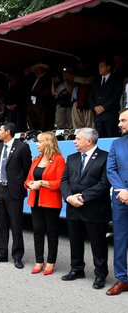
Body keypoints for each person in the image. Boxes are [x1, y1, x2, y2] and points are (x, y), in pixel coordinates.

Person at [60, 128, 111, 290]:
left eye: (78, 139)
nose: (74, 141)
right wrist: (69, 197)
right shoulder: (72, 157)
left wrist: (82, 197)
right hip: (73, 208)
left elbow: (104, 183)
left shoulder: (105, 157)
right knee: (75, 241)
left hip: (95, 209)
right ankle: (77, 269)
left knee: (98, 244)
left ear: (89, 141)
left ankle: (100, 274)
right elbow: (64, 181)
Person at [0, 122, 31, 269]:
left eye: (0, 130)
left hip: (14, 191)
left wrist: (19, 184)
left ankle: (17, 257)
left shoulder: (22, 147)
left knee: (16, 224)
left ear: (8, 132)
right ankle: (2, 254)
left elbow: (27, 169)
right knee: (0, 224)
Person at [24, 132, 65, 275]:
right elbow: (28, 180)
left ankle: (51, 262)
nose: (37, 144)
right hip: (35, 201)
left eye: (40, 142)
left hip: (51, 202)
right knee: (37, 231)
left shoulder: (59, 160)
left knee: (52, 232)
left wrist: (41, 183)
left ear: (47, 143)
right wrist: (30, 184)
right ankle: (39, 260)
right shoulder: (36, 159)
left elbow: (60, 183)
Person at [106, 108, 128, 295]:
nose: (119, 124)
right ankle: (122, 279)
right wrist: (123, 191)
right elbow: (111, 170)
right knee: (120, 239)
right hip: (121, 199)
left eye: (123, 120)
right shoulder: (116, 144)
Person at [89, 58, 123, 138]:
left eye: (102, 66)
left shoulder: (116, 79)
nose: (99, 69)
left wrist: (104, 107)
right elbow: (90, 97)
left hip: (110, 115)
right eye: (99, 67)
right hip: (98, 117)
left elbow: (116, 96)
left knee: (111, 137)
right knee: (100, 139)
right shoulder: (96, 80)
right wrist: (95, 107)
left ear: (108, 67)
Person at [27, 63, 54, 131]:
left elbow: (47, 91)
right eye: (35, 69)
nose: (36, 71)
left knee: (43, 121)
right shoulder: (36, 79)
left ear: (43, 69)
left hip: (43, 103)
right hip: (34, 104)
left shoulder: (46, 78)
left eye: (38, 69)